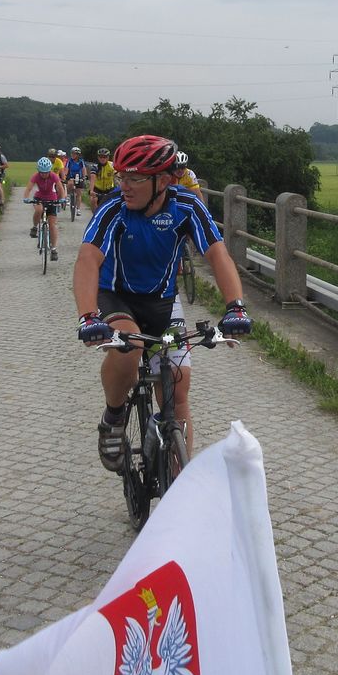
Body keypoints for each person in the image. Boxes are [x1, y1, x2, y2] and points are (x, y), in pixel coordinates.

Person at [74, 134, 252, 471]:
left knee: (178, 390)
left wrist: (235, 307)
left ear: (164, 180)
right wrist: (87, 316)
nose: (124, 185)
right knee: (131, 349)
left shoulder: (186, 205)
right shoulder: (114, 208)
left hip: (162, 302)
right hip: (116, 297)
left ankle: (179, 484)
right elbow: (87, 259)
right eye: (122, 176)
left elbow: (218, 254)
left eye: (135, 178)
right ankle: (114, 417)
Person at [25, 157, 65, 260]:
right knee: (39, 210)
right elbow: (29, 188)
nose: (44, 175)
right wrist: (26, 197)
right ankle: (34, 227)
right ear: (38, 171)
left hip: (52, 198)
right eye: (42, 172)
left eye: (46, 172)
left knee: (52, 225)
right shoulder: (36, 176)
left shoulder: (54, 176)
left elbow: (60, 188)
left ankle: (54, 249)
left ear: (49, 170)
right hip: (39, 197)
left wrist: (62, 198)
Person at [90, 146, 116, 214]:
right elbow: (92, 178)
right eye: (101, 157)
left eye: (104, 157)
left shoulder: (112, 165)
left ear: (108, 157)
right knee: (93, 199)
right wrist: (91, 190)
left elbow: (118, 176)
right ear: (98, 157)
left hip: (109, 189)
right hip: (98, 189)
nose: (102, 159)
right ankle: (95, 216)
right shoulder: (95, 166)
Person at [64, 146, 88, 217]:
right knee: (70, 183)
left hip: (79, 177)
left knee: (79, 193)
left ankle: (78, 209)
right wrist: (65, 176)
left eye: (74, 153)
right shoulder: (69, 161)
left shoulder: (81, 161)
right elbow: (66, 169)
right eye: (72, 153)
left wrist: (85, 176)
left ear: (78, 155)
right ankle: (68, 196)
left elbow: (84, 169)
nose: (72, 155)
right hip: (71, 176)